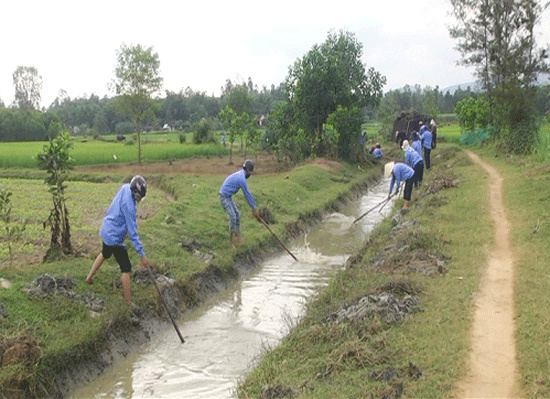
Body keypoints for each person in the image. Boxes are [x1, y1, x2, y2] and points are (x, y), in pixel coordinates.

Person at [86, 175, 150, 307]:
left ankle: (89, 277)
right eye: (138, 197)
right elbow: (133, 233)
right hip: (114, 237)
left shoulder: (125, 187)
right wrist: (142, 255)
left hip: (107, 229)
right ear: (135, 193)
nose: (138, 200)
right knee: (126, 268)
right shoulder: (130, 206)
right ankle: (128, 303)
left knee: (105, 253)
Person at [220, 159, 260, 247]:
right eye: (251, 172)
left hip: (228, 197)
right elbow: (247, 194)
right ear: (248, 171)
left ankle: (239, 239)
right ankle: (231, 242)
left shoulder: (241, 174)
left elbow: (247, 194)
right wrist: (254, 208)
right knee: (233, 217)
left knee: (238, 215)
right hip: (224, 197)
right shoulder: (241, 178)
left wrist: (254, 208)